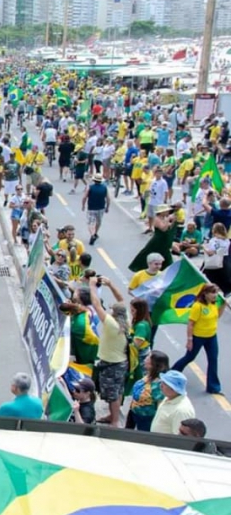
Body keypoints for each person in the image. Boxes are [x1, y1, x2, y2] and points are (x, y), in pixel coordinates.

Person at [88, 276, 129, 426]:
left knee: (112, 394)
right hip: (120, 362)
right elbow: (121, 299)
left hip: (111, 364)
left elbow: (96, 304)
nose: (109, 310)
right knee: (116, 392)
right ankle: (113, 416)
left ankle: (115, 420)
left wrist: (92, 286)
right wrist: (110, 284)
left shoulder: (112, 324)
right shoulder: (126, 321)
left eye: (111, 309)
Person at [171, 283, 224, 395]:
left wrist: (223, 305)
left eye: (216, 292)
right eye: (213, 292)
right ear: (205, 294)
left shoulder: (213, 304)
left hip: (211, 336)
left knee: (213, 359)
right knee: (189, 357)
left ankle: (213, 387)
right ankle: (172, 373)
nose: (215, 295)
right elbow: (191, 324)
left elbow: (217, 316)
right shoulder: (197, 306)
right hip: (198, 337)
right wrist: (189, 340)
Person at [127, 351, 170, 432]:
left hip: (146, 419)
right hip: (134, 412)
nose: (145, 359)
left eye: (148, 358)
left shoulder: (159, 385)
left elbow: (160, 406)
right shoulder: (147, 375)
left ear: (154, 364)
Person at [150, 371, 197, 435]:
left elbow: (178, 438)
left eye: (165, 384)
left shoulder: (181, 411)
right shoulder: (169, 397)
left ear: (174, 389)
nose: (161, 386)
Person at [81, 172, 110, 245]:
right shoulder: (104, 187)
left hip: (91, 207)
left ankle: (92, 234)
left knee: (91, 223)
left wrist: (83, 205)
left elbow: (84, 197)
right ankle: (95, 233)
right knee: (98, 222)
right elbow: (108, 198)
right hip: (101, 207)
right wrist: (107, 207)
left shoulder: (90, 187)